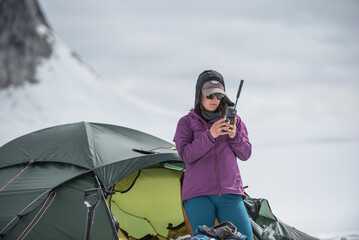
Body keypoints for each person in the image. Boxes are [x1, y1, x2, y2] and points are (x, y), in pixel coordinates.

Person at [173, 70, 253, 240]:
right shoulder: (186, 122)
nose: (214, 100)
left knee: (245, 237)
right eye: (210, 95)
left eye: (218, 95)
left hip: (230, 192)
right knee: (204, 238)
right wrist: (210, 135)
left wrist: (234, 136)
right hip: (198, 194)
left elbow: (245, 153)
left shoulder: (235, 121)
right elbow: (185, 155)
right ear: (199, 94)